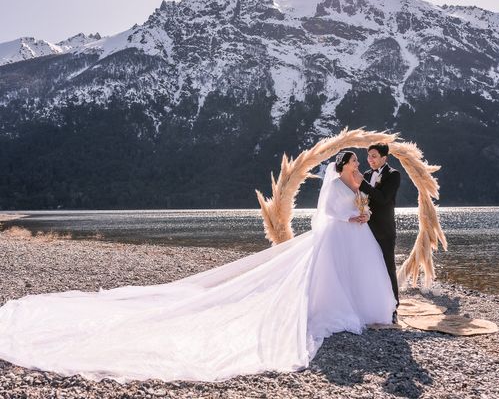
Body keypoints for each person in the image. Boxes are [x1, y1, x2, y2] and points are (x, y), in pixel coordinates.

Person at [0, 151, 395, 383]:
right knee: (333, 281)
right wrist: (350, 220)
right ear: (342, 167)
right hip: (338, 237)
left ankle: (368, 310)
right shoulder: (337, 187)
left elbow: (361, 202)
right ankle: (341, 310)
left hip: (355, 240)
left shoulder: (355, 185)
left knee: (358, 276)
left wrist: (359, 213)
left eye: (359, 164)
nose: (358, 167)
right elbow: (324, 216)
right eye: (355, 164)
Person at [355, 144, 401, 323]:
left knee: (388, 267)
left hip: (384, 229)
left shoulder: (393, 175)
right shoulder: (365, 175)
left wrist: (363, 184)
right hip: (365, 229)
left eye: (374, 156)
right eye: (368, 156)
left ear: (384, 158)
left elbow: (383, 199)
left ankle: (394, 306)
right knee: (369, 267)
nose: (370, 159)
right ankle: (373, 304)